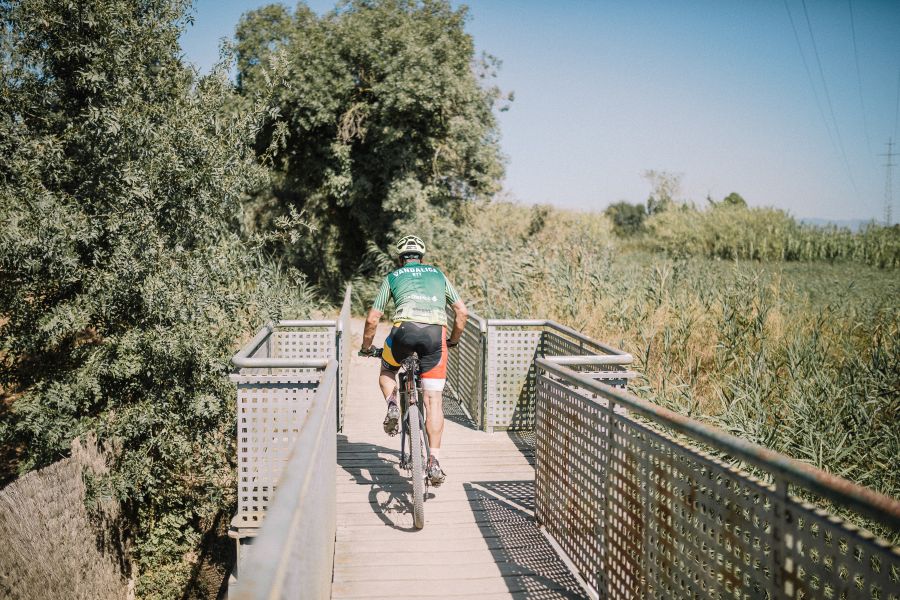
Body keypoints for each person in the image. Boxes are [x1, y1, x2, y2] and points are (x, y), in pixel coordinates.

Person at [359, 234, 468, 486]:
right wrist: (452, 340)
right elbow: (461, 312)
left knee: (387, 370)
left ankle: (392, 404)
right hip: (434, 336)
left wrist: (366, 347)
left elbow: (373, 318)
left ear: (400, 258)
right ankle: (434, 461)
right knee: (434, 401)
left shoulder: (393, 277)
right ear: (422, 257)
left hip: (403, 332)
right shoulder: (438, 275)